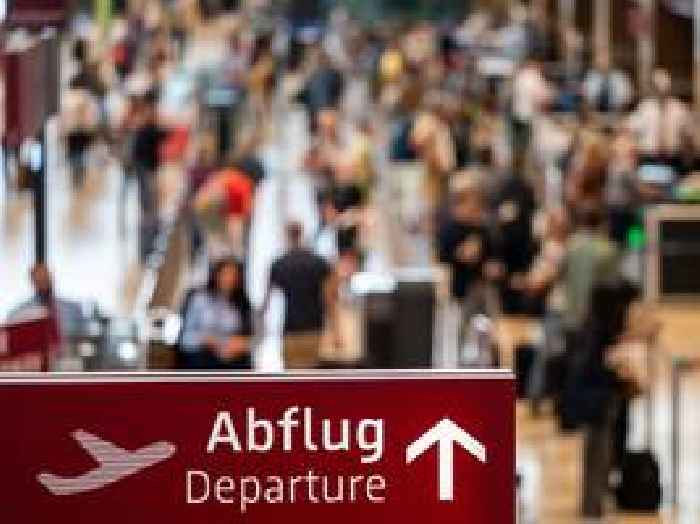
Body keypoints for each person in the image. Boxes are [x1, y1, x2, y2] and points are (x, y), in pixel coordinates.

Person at [437, 179, 502, 362]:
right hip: (462, 287)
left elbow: (493, 254)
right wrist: (462, 254)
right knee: (461, 330)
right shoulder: (450, 228)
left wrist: (492, 265)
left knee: (491, 326)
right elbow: (445, 257)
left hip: (483, 285)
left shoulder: (483, 227)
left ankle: (492, 363)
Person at [264, 222, 339, 369]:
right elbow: (329, 299)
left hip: (290, 328)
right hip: (314, 327)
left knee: (292, 376)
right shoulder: (318, 263)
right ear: (302, 234)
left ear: (287, 235)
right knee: (312, 373)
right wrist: (336, 331)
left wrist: (261, 331)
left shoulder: (279, 264)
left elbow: (267, 299)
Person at [180, 259, 253, 370]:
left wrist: (243, 343)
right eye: (226, 274)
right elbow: (185, 338)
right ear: (216, 275)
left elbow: (250, 336)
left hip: (231, 358)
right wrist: (207, 340)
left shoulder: (242, 303)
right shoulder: (199, 298)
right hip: (200, 355)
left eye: (234, 275)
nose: (230, 279)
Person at [9, 264, 85, 346]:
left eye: (46, 278)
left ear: (52, 279)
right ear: (32, 282)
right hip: (35, 352)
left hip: (68, 352)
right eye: (39, 279)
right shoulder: (19, 314)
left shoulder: (73, 309)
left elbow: (84, 338)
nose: (43, 283)